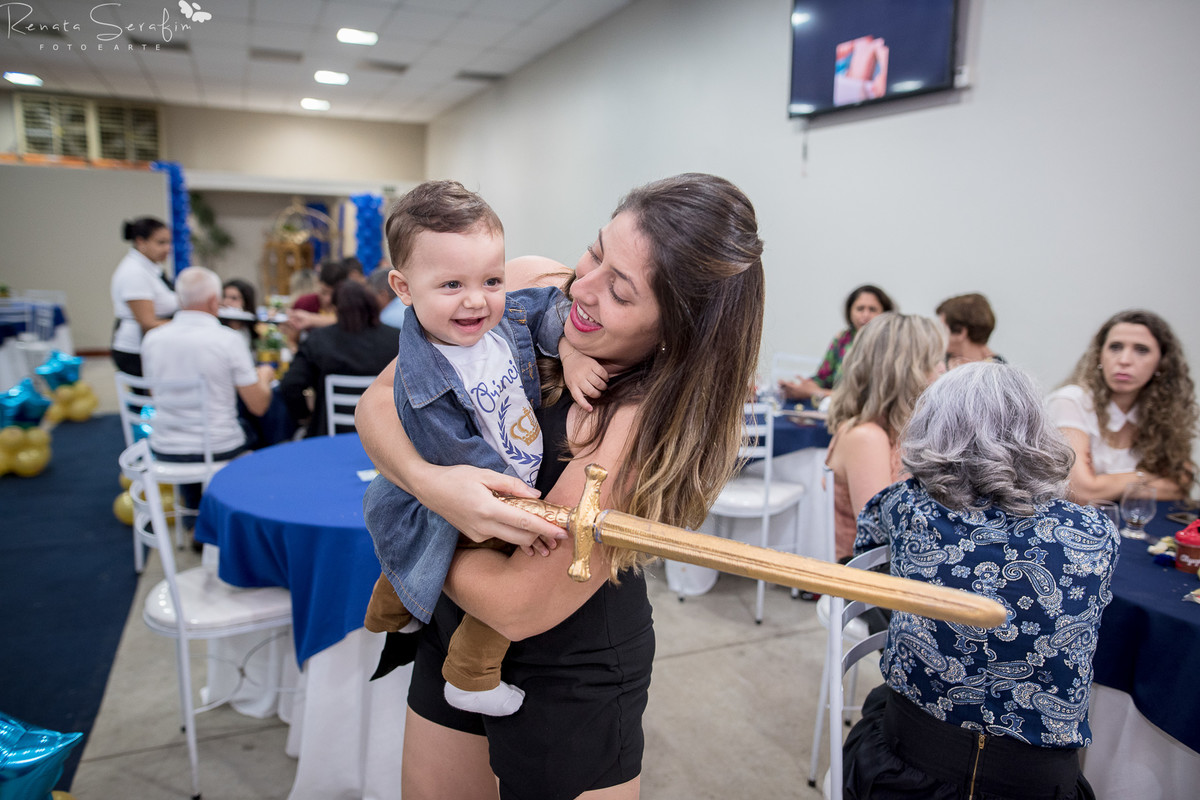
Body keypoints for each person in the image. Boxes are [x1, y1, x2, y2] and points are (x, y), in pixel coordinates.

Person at [354, 173, 764, 799]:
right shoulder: (519, 285)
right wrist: (429, 486)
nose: (584, 286)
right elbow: (382, 398)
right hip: (451, 625)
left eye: (620, 292)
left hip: (566, 670)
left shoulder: (642, 417)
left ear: (673, 332)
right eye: (597, 250)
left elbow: (520, 602)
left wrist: (408, 545)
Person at [359, 179, 604, 718]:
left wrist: (570, 350)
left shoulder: (502, 318)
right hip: (482, 490)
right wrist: (520, 503)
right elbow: (456, 460)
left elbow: (544, 309)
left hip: (493, 482)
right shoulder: (425, 375)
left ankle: (390, 605)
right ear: (403, 288)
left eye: (491, 279)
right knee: (505, 557)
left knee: (420, 551)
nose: (478, 299)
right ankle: (470, 676)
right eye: (451, 284)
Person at [843, 362, 1119, 800]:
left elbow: (869, 573)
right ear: (1036, 431)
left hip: (910, 765)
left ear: (934, 426)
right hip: (1037, 783)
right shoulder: (1094, 532)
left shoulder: (904, 506)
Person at [141, 267, 276, 510]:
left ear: (179, 298)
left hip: (164, 446)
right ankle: (238, 510)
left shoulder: (152, 339)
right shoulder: (228, 340)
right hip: (218, 447)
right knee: (261, 428)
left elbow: (155, 395)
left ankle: (194, 513)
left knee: (196, 432)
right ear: (215, 301)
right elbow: (259, 405)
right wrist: (264, 377)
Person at [824, 312, 945, 561]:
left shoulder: (896, 430)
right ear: (907, 371)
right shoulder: (866, 437)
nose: (944, 369)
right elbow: (881, 537)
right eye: (935, 361)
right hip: (870, 580)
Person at [1046, 309, 1197, 503]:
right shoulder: (1070, 400)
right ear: (1099, 356)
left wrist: (1103, 485)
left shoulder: (1163, 411)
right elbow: (1080, 491)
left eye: (1141, 350)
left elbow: (1181, 484)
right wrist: (1145, 476)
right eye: (1115, 347)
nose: (1124, 360)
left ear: (1162, 363)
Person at [277, 281, 402, 438]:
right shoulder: (397, 339)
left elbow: (290, 385)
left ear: (335, 309)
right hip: (389, 438)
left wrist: (305, 416)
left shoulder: (318, 341)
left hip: (330, 439)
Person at [779, 283, 894, 403]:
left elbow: (871, 398)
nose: (865, 315)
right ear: (850, 312)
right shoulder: (843, 338)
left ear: (885, 313)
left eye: (872, 309)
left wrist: (817, 393)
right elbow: (823, 378)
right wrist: (798, 387)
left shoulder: (890, 345)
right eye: (860, 309)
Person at [110, 216, 178, 376]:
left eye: (169, 242)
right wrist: (187, 325)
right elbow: (148, 322)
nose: (168, 248)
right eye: (161, 243)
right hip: (135, 351)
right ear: (141, 242)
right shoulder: (134, 273)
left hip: (150, 345)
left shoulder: (151, 267)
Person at [936, 292, 1005, 367]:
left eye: (942, 329)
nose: (937, 334)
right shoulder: (936, 364)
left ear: (960, 332)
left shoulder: (999, 372)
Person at [220, 278, 260, 351]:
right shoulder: (217, 327)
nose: (226, 302)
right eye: (224, 297)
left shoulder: (255, 329)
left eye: (234, 298)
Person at [367, 264, 407, 329]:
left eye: (371, 296)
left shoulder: (386, 319)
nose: (369, 300)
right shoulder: (409, 303)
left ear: (383, 295)